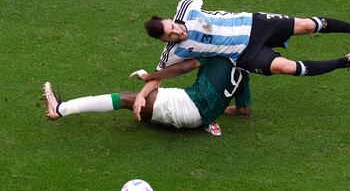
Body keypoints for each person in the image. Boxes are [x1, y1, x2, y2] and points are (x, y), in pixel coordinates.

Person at [144, 0, 350, 77]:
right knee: (288, 68)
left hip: (254, 24)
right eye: (171, 34)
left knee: (308, 25)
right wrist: (144, 90)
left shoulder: (185, 9)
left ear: (171, 19)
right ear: (164, 40)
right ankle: (345, 62)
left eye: (173, 26)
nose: (177, 31)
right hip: (244, 54)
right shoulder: (174, 52)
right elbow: (159, 75)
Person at [43, 57, 251, 136]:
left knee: (127, 99)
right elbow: (244, 111)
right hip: (199, 120)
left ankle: (60, 109)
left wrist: (150, 78)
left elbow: (184, 66)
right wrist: (217, 109)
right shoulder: (244, 75)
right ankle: (151, 113)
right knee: (147, 107)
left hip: (185, 106)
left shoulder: (218, 55)